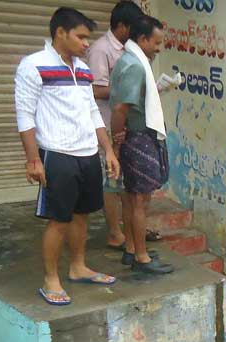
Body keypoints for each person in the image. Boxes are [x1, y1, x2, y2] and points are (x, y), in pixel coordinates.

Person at [14, 7, 120, 306]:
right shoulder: (33, 66)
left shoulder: (83, 69)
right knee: (59, 220)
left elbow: (91, 112)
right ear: (60, 32)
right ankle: (51, 279)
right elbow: (25, 115)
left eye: (88, 38)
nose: (87, 44)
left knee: (81, 215)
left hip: (87, 153)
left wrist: (108, 150)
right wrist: (33, 159)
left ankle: (78, 266)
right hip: (57, 154)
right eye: (81, 37)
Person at [110, 15, 173, 274]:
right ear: (143, 39)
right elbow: (121, 107)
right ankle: (142, 258)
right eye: (156, 43)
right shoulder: (135, 65)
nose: (158, 48)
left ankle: (131, 250)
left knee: (130, 198)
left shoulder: (129, 60)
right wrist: (117, 138)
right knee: (139, 200)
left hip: (134, 134)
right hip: (137, 136)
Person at [87, 0, 146, 252]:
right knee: (111, 180)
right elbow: (95, 89)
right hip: (105, 122)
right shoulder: (101, 49)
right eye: (132, 28)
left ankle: (130, 231)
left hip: (125, 123)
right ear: (122, 25)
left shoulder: (127, 49)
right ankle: (114, 232)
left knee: (124, 180)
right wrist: (129, 90)